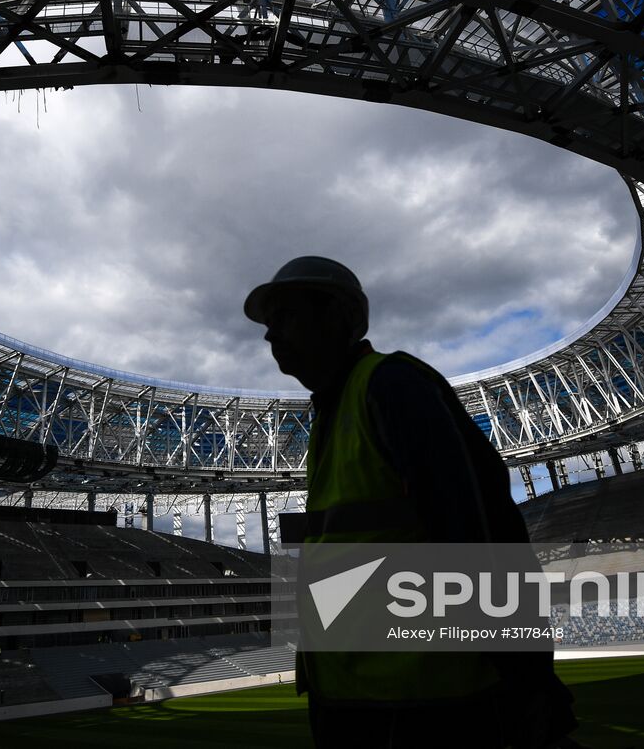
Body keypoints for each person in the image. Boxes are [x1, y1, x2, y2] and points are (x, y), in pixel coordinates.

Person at [244, 256, 578, 749]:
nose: (271, 336)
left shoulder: (391, 385)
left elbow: (480, 531)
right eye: (270, 325)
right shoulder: (331, 417)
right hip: (349, 703)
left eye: (286, 317)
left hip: (430, 706)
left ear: (337, 316)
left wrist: (528, 679)